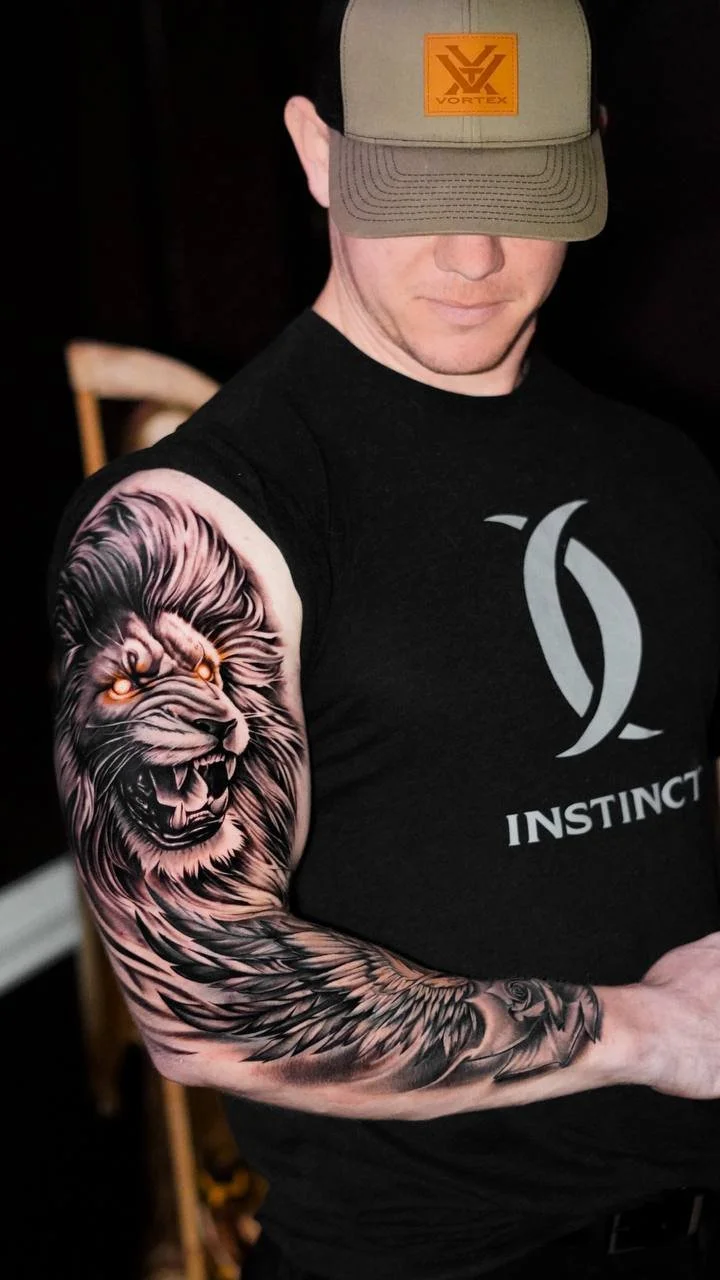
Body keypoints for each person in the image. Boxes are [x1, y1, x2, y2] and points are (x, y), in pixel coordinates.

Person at [48, 1, 720, 1276]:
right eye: (417, 188)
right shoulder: (201, 519)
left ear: (593, 151)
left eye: (521, 187)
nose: (473, 251)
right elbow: (201, 994)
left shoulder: (664, 467)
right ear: (318, 153)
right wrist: (648, 1031)